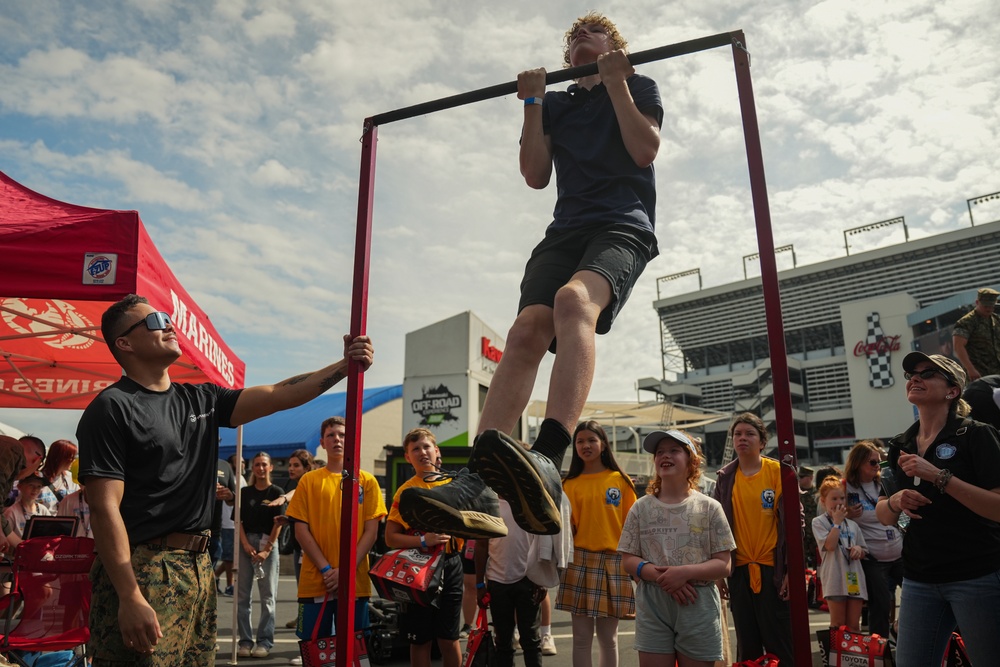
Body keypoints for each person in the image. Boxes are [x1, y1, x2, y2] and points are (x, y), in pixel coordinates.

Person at [400, 11, 662, 539]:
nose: (582, 38)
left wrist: (616, 83)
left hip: (620, 224)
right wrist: (533, 103)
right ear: (567, 59)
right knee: (524, 331)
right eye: (575, 38)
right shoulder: (558, 102)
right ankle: (475, 481)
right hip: (565, 230)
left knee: (572, 303)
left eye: (595, 32)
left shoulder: (637, 84)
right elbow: (535, 175)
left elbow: (644, 149)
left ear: (615, 47)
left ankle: (549, 456)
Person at [76, 293, 374, 667]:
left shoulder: (201, 399)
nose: (168, 324)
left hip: (198, 567)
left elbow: (279, 395)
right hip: (144, 566)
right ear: (125, 343)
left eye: (167, 317)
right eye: (154, 321)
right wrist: (130, 594)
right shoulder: (111, 407)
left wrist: (343, 366)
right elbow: (105, 510)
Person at [875, 352, 1000, 666]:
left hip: (977, 575)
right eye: (912, 374)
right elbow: (883, 513)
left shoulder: (977, 435)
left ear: (952, 391)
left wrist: (938, 476)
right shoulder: (900, 443)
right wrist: (895, 500)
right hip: (919, 579)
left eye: (928, 373)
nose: (915, 377)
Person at [618, 429, 735, 666]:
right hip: (652, 604)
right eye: (660, 452)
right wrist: (660, 577)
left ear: (692, 461)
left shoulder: (710, 507)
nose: (665, 456)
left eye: (674, 450)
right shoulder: (640, 508)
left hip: (697, 603)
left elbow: (724, 564)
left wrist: (684, 573)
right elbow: (628, 559)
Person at [285, 416, 386, 667]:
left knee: (355, 651)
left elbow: (371, 533)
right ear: (322, 442)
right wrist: (328, 570)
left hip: (354, 581)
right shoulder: (309, 480)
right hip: (316, 580)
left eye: (342, 435)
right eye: (331, 435)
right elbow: (300, 531)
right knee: (315, 653)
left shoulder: (367, 481)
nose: (337, 439)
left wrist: (346, 570)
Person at [711, 413, 797, 665]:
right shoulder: (725, 477)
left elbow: (795, 524)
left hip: (774, 571)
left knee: (780, 643)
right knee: (747, 646)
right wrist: (720, 572)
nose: (742, 438)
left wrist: (792, 569)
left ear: (762, 442)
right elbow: (717, 528)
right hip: (738, 571)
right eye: (737, 434)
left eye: (750, 433)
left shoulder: (778, 472)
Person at [558, 421, 636, 667]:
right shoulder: (568, 484)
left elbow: (633, 528)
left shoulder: (621, 481)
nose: (585, 445)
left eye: (591, 440)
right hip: (578, 561)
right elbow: (564, 532)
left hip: (615, 562)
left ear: (603, 445)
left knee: (609, 638)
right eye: (580, 441)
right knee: (580, 638)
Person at [386, 428, 465, 667]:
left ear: (436, 450)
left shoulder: (457, 484)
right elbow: (390, 538)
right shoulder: (406, 491)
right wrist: (424, 540)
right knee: (420, 641)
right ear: (408, 457)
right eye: (415, 449)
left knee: (449, 638)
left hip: (452, 564)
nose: (422, 452)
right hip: (419, 567)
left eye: (426, 446)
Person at [474, 497, 547, 667]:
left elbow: (541, 542)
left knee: (530, 640)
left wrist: (540, 578)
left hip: (528, 580)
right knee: (503, 641)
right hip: (497, 582)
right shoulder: (488, 504)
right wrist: (479, 584)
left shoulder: (530, 502)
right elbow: (481, 545)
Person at [843, 439, 902, 637]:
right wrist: (846, 514)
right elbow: (827, 516)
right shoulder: (846, 488)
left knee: (921, 596)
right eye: (872, 462)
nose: (878, 466)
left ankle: (898, 631)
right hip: (873, 559)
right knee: (881, 607)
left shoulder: (885, 481)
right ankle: (880, 653)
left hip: (899, 551)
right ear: (857, 463)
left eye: (879, 462)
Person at [236, 451, 284, 658]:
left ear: (271, 467)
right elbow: (239, 522)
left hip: (268, 546)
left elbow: (278, 523)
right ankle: (245, 642)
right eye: (257, 465)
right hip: (247, 545)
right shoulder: (245, 493)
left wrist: (267, 549)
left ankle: (264, 642)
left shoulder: (276, 492)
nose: (261, 468)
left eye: (264, 464)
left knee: (268, 597)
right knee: (243, 597)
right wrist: (245, 544)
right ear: (252, 468)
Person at [812, 477, 868, 632]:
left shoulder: (853, 525)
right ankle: (836, 657)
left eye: (842, 498)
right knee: (838, 625)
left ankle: (852, 656)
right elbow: (829, 546)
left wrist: (858, 549)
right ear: (824, 501)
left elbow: (864, 550)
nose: (839, 502)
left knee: (853, 626)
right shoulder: (819, 522)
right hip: (835, 578)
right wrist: (836, 523)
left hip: (854, 578)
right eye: (834, 499)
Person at [270, 447, 314, 631]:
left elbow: (294, 494)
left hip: (309, 548)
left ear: (306, 468)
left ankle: (306, 624)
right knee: (302, 590)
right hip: (299, 546)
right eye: (290, 465)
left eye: (296, 465)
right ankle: (302, 617)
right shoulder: (297, 484)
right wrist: (288, 520)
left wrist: (283, 497)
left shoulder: (308, 484)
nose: (291, 468)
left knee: (309, 591)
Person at [952, 287, 1000, 381]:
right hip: (980, 374)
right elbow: (958, 346)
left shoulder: (996, 320)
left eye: (991, 306)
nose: (989, 309)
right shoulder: (966, 322)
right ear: (977, 302)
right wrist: (970, 369)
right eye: (985, 306)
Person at [216, 454, 246, 597]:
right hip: (227, 523)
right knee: (229, 557)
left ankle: (215, 577)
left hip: (236, 524)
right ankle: (229, 585)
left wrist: (230, 496)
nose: (242, 465)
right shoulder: (230, 475)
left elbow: (235, 499)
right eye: (238, 462)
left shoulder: (241, 478)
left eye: (243, 462)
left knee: (233, 557)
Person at [37, 438, 79, 513]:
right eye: (71, 457)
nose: (73, 460)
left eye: (74, 457)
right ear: (60, 457)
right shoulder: (37, 478)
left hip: (65, 522)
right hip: (43, 522)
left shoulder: (70, 478)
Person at [3, 473, 50, 538]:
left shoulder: (43, 510)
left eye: (39, 486)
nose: (35, 489)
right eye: (31, 485)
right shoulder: (11, 512)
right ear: (20, 486)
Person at [210, 457, 237, 571]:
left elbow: (233, 498)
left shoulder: (224, 465)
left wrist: (230, 495)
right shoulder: (191, 460)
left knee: (207, 580)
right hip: (190, 531)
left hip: (214, 532)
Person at [798, 466, 818, 568]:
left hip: (816, 533)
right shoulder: (796, 492)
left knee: (818, 563)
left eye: (802, 477)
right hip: (803, 533)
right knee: (802, 562)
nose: (799, 479)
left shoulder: (818, 493)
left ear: (810, 477)